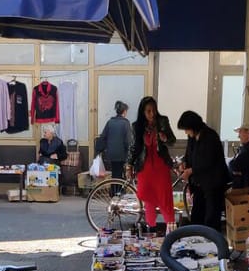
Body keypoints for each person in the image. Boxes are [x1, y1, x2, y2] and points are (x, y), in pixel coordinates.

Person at [126, 97, 177, 234]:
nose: (152, 114)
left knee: (165, 198)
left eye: (154, 110)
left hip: (161, 166)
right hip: (145, 166)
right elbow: (134, 147)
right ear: (143, 112)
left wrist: (165, 138)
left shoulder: (163, 121)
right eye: (148, 111)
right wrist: (129, 165)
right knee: (148, 198)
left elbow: (172, 140)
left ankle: (171, 230)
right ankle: (151, 229)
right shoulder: (137, 126)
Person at [177, 111, 232, 229]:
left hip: (213, 183)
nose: (186, 132)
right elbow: (189, 154)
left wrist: (191, 171)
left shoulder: (210, 136)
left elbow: (208, 161)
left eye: (187, 129)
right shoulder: (192, 137)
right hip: (199, 184)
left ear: (193, 126)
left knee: (211, 218)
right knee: (197, 216)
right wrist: (184, 164)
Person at [95, 101, 132, 180]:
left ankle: (114, 191)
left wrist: (98, 150)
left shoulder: (110, 122)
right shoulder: (125, 123)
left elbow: (103, 137)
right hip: (121, 155)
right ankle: (118, 191)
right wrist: (131, 153)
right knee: (120, 175)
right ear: (124, 111)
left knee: (115, 174)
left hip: (111, 155)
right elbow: (128, 141)